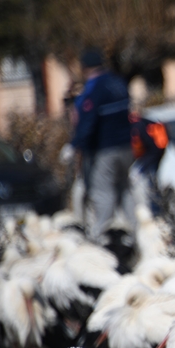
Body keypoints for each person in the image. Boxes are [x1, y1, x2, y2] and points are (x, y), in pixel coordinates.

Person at [70, 47, 135, 240]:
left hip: (105, 149)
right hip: (126, 147)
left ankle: (102, 237)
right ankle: (135, 232)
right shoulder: (118, 83)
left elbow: (88, 120)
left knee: (102, 192)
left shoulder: (94, 88)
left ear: (85, 68)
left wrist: (75, 144)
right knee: (125, 191)